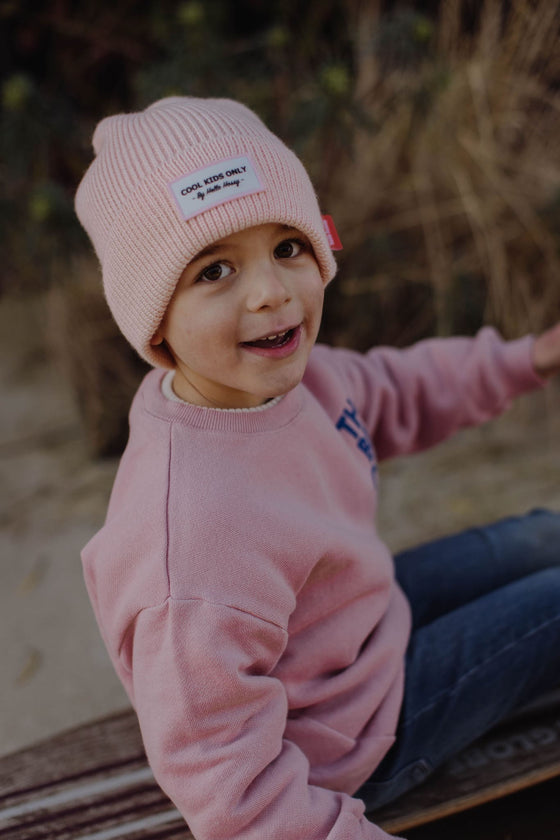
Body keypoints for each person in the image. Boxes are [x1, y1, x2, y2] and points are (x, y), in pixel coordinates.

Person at [75, 96, 560, 840]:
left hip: (358, 625)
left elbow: (398, 389)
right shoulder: (189, 536)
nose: (270, 291)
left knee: (540, 538)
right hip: (349, 740)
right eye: (214, 270)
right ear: (152, 319)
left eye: (288, 248)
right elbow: (226, 783)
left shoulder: (292, 382)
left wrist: (528, 359)